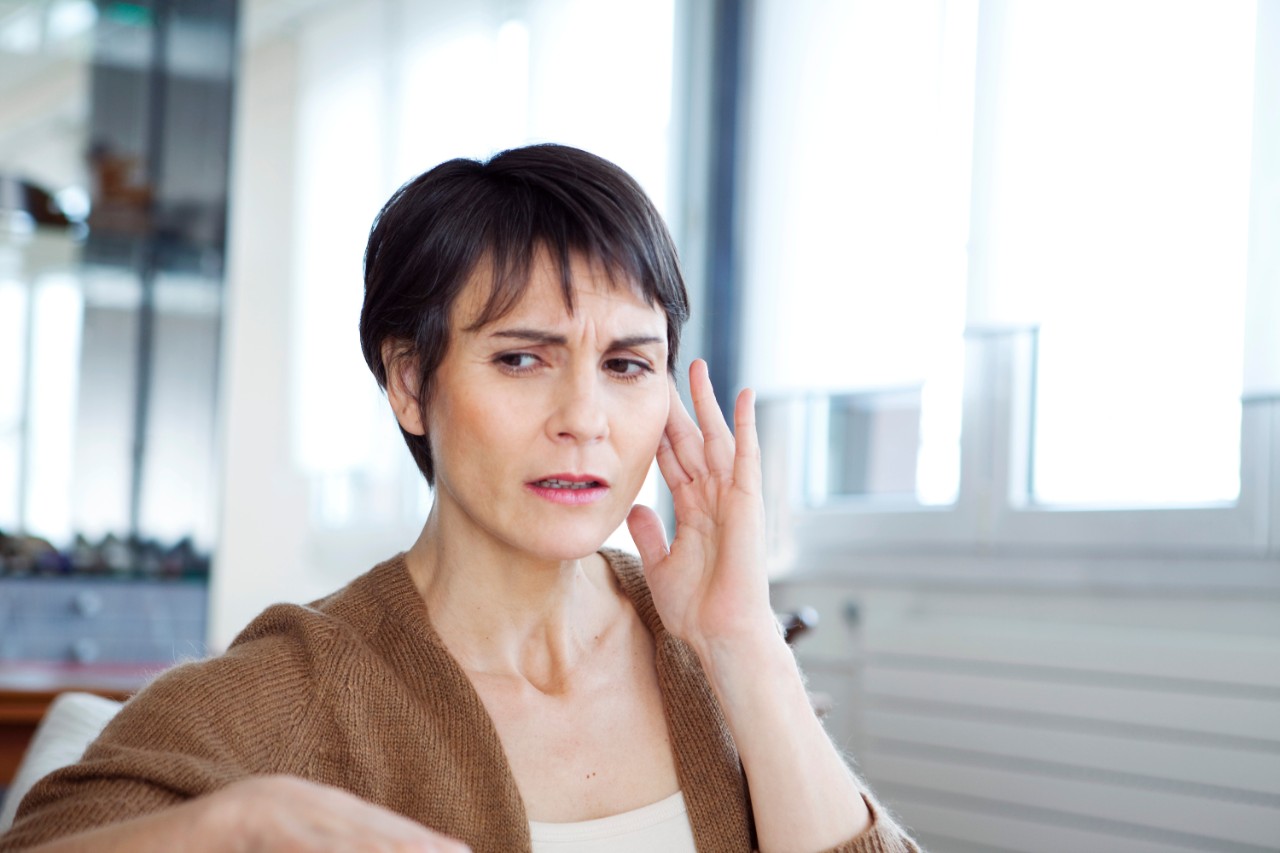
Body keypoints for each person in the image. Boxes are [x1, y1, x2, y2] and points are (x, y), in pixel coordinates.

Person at [0, 144, 917, 852]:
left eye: (627, 364)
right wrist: (232, 825)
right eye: (522, 357)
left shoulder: (714, 656)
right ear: (409, 381)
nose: (583, 419)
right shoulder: (298, 685)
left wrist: (746, 645)